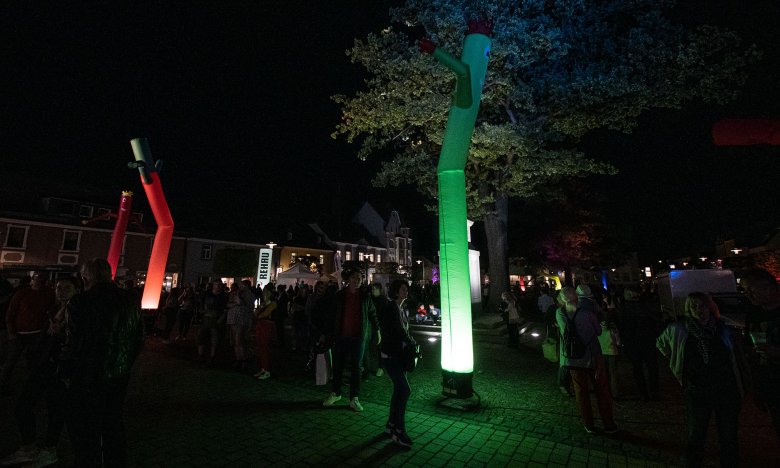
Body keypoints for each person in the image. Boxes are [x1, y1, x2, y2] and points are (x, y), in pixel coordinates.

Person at [64, 258, 143, 467]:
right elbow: (138, 338)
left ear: (85, 277)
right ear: (110, 275)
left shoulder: (80, 302)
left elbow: (75, 343)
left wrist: (65, 371)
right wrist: (125, 363)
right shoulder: (130, 299)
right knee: (113, 424)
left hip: (88, 375)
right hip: (119, 373)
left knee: (87, 428)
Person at [656, 292, 750, 467]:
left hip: (726, 389)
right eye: (693, 306)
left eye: (702, 306)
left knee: (728, 434)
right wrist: (676, 363)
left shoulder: (723, 328)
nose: (698, 310)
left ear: (710, 307)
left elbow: (735, 355)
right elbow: (661, 344)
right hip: (698, 390)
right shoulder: (679, 329)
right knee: (696, 433)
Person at [0, 277, 79, 467]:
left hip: (60, 370)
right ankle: (29, 447)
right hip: (43, 365)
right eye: (59, 287)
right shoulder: (53, 308)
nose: (61, 291)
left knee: (55, 410)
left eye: (67, 288)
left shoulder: (77, 313)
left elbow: (78, 343)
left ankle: (49, 449)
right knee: (23, 406)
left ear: (77, 290)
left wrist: (61, 335)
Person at [556, 286, 617, 434]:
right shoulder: (586, 313)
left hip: (572, 357)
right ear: (576, 297)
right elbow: (598, 331)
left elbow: (564, 330)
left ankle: (588, 424)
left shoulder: (560, 313)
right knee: (601, 389)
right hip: (592, 355)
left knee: (581, 392)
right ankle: (609, 424)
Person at [322, 268, 380, 412]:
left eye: (360, 277)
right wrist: (327, 333)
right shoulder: (340, 295)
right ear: (348, 280)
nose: (358, 279)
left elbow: (372, 313)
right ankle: (336, 393)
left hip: (358, 338)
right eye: (355, 277)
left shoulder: (365, 296)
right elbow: (331, 316)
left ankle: (354, 398)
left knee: (356, 368)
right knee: (338, 366)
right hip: (341, 336)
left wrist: (377, 330)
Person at [740, 268, 780, 442]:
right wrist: (758, 389)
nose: (748, 295)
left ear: (768, 288)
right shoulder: (754, 315)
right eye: (745, 290)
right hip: (771, 386)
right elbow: (750, 350)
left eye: (751, 290)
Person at [0, 273, 56, 394]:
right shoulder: (21, 293)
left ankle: (29, 386)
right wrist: (12, 332)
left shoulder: (49, 294)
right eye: (38, 280)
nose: (40, 282)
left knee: (33, 361)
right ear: (32, 281)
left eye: (43, 280)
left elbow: (51, 310)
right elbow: (10, 314)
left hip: (37, 334)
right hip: (19, 333)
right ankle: (3, 384)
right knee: (11, 360)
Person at [379, 279, 416, 448]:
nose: (405, 292)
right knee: (404, 390)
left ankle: (391, 425)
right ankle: (399, 431)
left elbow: (404, 329)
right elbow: (398, 330)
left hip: (399, 356)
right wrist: (410, 341)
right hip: (391, 356)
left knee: (398, 390)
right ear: (395, 291)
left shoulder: (401, 309)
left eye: (406, 289)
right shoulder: (390, 308)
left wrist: (409, 340)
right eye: (402, 289)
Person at [619, 287, 662, 401]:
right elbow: (656, 323)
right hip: (648, 340)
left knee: (638, 368)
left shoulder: (624, 309)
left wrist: (623, 342)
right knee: (652, 367)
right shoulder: (647, 307)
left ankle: (643, 393)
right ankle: (655, 392)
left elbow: (621, 327)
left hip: (632, 342)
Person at [197, 282, 227, 364]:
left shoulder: (223, 296)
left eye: (219, 285)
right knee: (201, 338)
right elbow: (201, 304)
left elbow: (225, 309)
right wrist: (201, 311)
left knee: (214, 339)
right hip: (206, 318)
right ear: (213, 285)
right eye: (216, 284)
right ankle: (200, 355)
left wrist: (220, 319)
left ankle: (212, 357)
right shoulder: (207, 294)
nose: (218, 286)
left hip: (216, 320)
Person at [253, 285, 277, 380]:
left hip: (267, 326)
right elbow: (256, 313)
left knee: (264, 347)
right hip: (261, 326)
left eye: (265, 292)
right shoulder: (265, 303)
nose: (263, 293)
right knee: (260, 348)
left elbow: (264, 314)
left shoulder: (273, 303)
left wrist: (259, 314)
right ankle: (263, 368)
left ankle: (267, 370)